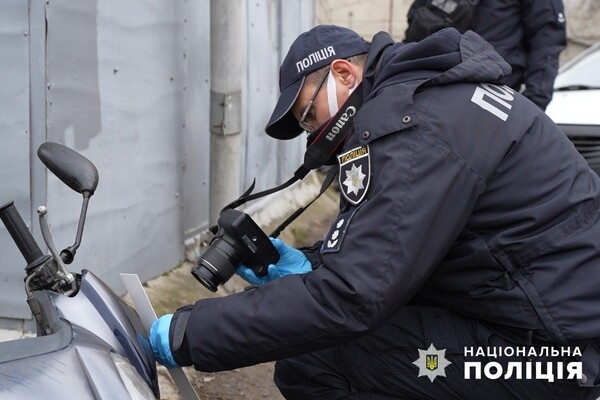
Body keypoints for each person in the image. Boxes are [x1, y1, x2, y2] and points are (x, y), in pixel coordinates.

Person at [149, 24, 600, 399]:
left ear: (344, 73)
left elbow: (351, 299)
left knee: (314, 356)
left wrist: (194, 332)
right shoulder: (430, 96)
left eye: (308, 115)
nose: (313, 132)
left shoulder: (414, 128)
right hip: (542, 325)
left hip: (553, 360)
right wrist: (314, 264)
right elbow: (392, 245)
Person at [405, 0, 567, 110]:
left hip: (491, 100)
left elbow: (546, 43)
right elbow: (415, 26)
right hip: (427, 94)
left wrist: (533, 105)